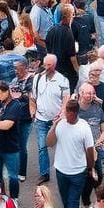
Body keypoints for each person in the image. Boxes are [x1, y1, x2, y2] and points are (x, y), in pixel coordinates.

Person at [48, 99, 96, 208]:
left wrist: (90, 168)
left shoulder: (84, 127)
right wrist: (54, 126)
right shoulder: (60, 124)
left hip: (78, 172)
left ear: (74, 113)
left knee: (73, 201)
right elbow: (49, 143)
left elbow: (90, 150)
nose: (64, 114)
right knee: (65, 200)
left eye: (67, 112)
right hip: (61, 170)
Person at [29, 53, 70, 185]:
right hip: (41, 119)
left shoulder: (63, 80)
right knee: (42, 147)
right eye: (45, 64)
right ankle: (44, 173)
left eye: (49, 65)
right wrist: (32, 110)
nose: (46, 67)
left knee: (61, 146)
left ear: (55, 65)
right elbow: (33, 97)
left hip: (57, 120)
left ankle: (63, 170)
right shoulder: (37, 79)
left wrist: (62, 113)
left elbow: (66, 100)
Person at [0, 80, 24, 200]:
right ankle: (1, 196)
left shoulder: (15, 105)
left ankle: (14, 199)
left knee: (13, 176)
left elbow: (6, 125)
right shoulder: (1, 104)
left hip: (11, 148)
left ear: (7, 91)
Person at [76, 82, 104, 207]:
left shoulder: (97, 109)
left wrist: (100, 140)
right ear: (81, 93)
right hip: (80, 149)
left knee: (98, 174)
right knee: (86, 174)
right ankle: (86, 198)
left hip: (96, 148)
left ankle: (93, 196)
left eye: (93, 93)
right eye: (88, 93)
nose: (91, 95)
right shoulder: (75, 109)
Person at [47, 5, 80, 92]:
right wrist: (78, 70)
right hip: (67, 71)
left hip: (55, 69)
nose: (74, 17)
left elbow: (48, 49)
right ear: (68, 16)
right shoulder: (68, 32)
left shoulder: (51, 30)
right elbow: (72, 57)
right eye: (72, 14)